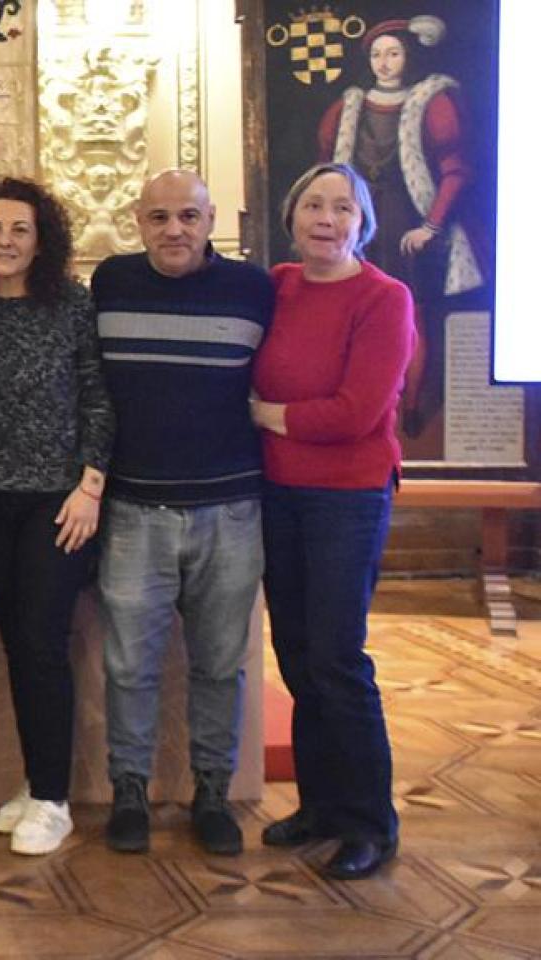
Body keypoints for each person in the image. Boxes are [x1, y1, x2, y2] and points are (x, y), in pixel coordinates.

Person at [92, 170, 272, 856]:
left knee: (219, 664)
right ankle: (129, 791)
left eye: (189, 217)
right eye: (160, 217)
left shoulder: (252, 290)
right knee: (128, 666)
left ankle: (212, 793)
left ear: (211, 220)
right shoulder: (110, 283)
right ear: (138, 220)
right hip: (135, 510)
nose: (175, 230)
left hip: (231, 510)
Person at [251, 162, 414, 881]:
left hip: (348, 496)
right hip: (277, 495)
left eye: (342, 207)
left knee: (338, 660)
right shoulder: (278, 286)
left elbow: (358, 413)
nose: (327, 217)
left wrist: (269, 417)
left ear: (362, 222)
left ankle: (369, 823)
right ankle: (319, 805)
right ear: (293, 218)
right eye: (313, 204)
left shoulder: (385, 298)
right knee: (296, 653)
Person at [0, 178, 114, 856]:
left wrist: (90, 487)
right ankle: (35, 780)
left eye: (20, 229)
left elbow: (98, 399)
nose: (6, 241)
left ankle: (53, 798)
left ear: (40, 239)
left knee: (44, 643)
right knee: (17, 644)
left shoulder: (72, 306)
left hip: (59, 504)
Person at [318, 14, 487, 439]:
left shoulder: (434, 101)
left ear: (408, 56)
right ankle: (362, 409)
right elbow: (324, 171)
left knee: (413, 320)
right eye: (377, 54)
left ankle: (410, 407)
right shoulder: (349, 107)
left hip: (409, 228)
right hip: (359, 230)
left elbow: (455, 170)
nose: (384, 62)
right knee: (355, 319)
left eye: (393, 53)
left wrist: (430, 227)